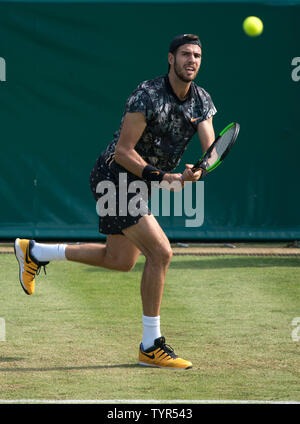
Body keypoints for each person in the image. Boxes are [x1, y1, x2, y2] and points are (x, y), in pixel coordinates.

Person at [14, 34, 217, 369]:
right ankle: (151, 346)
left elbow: (210, 151)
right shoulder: (147, 94)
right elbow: (124, 152)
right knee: (161, 252)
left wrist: (199, 169)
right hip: (115, 177)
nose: (191, 60)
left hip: (140, 185)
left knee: (120, 259)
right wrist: (163, 177)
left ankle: (33, 252)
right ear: (171, 59)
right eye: (184, 54)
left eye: (196, 55)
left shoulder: (201, 100)